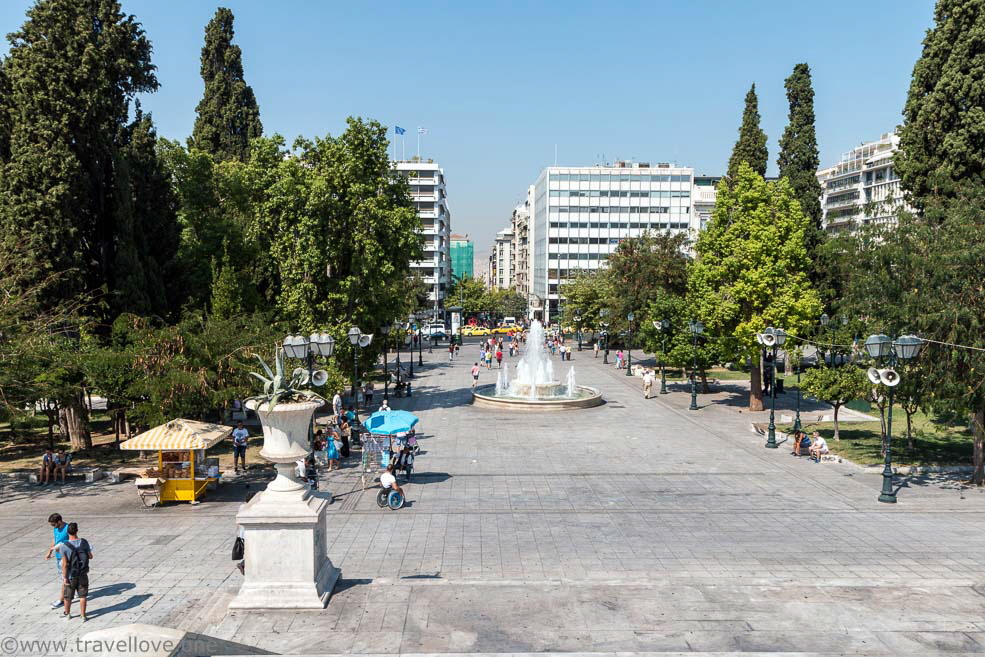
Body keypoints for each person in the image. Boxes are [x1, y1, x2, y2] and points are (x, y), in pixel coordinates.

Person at [57, 522, 92, 622]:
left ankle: (68, 614)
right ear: (77, 530)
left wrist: (64, 577)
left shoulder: (63, 546)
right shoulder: (84, 542)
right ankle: (83, 616)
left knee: (68, 596)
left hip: (70, 575)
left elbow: (64, 564)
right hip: (83, 574)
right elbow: (90, 556)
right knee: (83, 595)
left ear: (67, 532)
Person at [45, 513, 70, 609]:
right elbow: (55, 540)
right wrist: (50, 551)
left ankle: (61, 600)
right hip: (58, 556)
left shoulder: (68, 528)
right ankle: (72, 589)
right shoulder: (56, 528)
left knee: (64, 578)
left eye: (53, 524)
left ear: (59, 521)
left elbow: (72, 540)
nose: (53, 526)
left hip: (65, 557)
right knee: (64, 577)